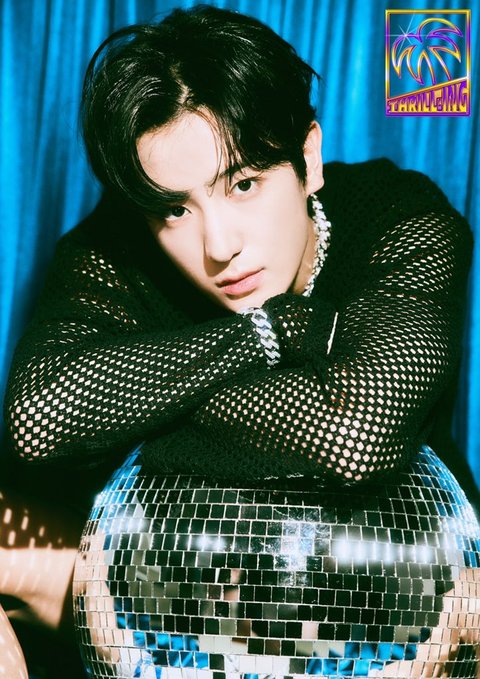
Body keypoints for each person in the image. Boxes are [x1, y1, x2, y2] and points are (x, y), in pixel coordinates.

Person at [1, 5, 479, 677]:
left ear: (308, 158)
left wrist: (141, 404)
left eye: (244, 184)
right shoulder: (118, 247)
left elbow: (357, 434)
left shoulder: (398, 215)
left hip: (393, 600)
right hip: (172, 600)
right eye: (176, 209)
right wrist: (270, 330)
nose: (219, 246)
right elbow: (39, 418)